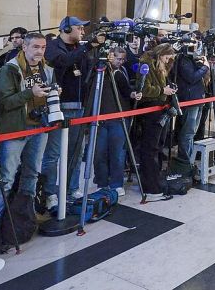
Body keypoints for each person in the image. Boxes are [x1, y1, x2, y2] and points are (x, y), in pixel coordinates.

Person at [0, 32, 52, 251]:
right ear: (24, 47)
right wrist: (28, 93)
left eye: (43, 47)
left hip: (39, 127)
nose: (39, 51)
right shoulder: (10, 69)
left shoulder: (46, 69)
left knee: (32, 174)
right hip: (15, 130)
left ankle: (25, 217)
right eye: (35, 47)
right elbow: (4, 103)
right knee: (6, 178)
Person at [41, 16, 94, 209]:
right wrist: (86, 48)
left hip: (79, 106)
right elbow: (63, 62)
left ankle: (72, 188)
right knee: (53, 154)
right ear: (66, 28)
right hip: (59, 107)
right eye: (79, 28)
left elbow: (88, 72)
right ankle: (49, 193)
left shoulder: (80, 49)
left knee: (76, 152)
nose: (82, 32)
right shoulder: (53, 46)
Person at [94, 47, 141, 197]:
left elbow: (126, 91)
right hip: (100, 118)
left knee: (118, 153)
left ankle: (116, 183)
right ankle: (101, 183)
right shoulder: (99, 70)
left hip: (118, 118)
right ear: (109, 56)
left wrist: (134, 94)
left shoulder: (121, 72)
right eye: (117, 58)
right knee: (99, 153)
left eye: (122, 59)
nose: (120, 62)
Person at [135, 43, 177, 203]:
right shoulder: (145, 64)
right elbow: (143, 89)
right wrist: (162, 91)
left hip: (159, 109)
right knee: (150, 148)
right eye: (167, 58)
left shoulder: (157, 65)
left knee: (157, 147)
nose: (167, 62)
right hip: (150, 110)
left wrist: (166, 88)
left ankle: (155, 182)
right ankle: (151, 188)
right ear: (161, 54)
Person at [172, 41, 209, 167]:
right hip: (190, 100)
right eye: (192, 45)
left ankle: (189, 159)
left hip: (197, 98)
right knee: (188, 132)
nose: (195, 48)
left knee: (192, 132)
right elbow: (192, 77)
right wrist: (205, 67)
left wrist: (202, 63)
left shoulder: (192, 59)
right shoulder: (183, 60)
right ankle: (185, 161)